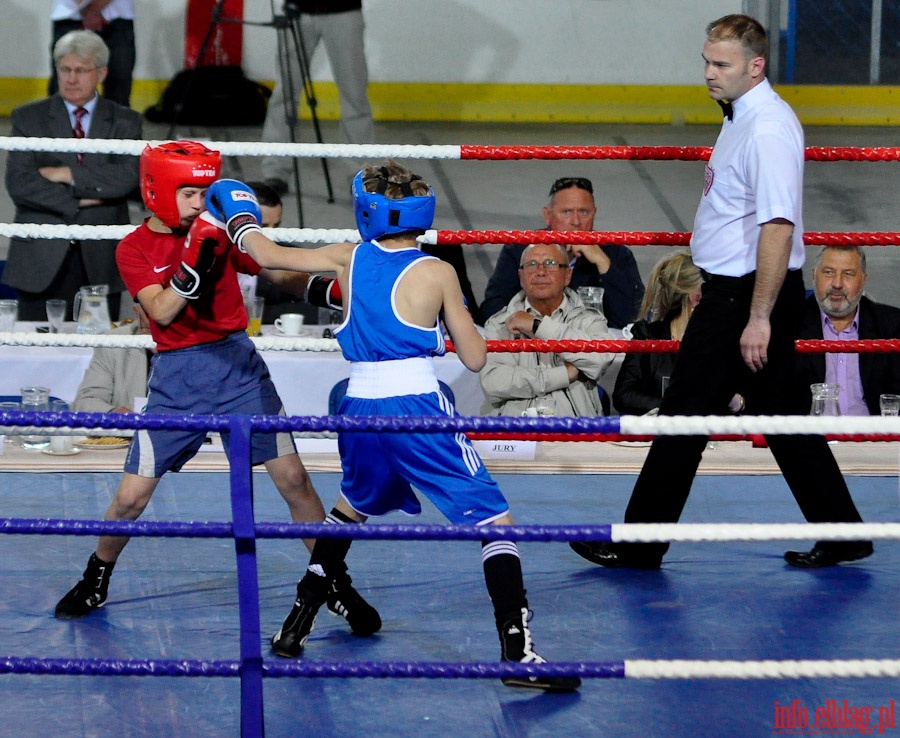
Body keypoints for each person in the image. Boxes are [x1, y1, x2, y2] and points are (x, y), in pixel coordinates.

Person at [205, 162, 581, 692]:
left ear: (366, 210)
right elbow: (475, 360)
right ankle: (518, 655)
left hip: (358, 405)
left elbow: (265, 256)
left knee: (350, 506)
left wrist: (240, 217)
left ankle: (296, 626)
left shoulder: (349, 256)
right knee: (496, 521)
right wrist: (451, 325)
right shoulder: (437, 272)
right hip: (416, 408)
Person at [570, 14, 871, 571]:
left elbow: (778, 227)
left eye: (721, 64)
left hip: (745, 299)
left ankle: (640, 546)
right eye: (706, 61)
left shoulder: (767, 129)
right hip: (738, 294)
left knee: (685, 415)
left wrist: (758, 316)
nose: (708, 73)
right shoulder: (742, 114)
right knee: (779, 414)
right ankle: (845, 531)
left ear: (756, 67)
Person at [54, 141, 381, 645]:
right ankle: (96, 577)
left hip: (239, 370)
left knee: (295, 481)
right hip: (177, 380)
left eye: (205, 191)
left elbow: (276, 272)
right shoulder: (133, 247)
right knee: (130, 500)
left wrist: (336, 292)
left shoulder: (219, 228)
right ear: (157, 191)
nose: (198, 202)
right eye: (189, 192)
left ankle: (332, 583)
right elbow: (160, 312)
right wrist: (194, 260)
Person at [4, 30, 141, 322]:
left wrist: (67, 174)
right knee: (38, 358)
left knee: (102, 358)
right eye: (65, 69)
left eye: (80, 70)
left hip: (101, 260)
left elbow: (127, 179)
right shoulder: (28, 118)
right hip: (40, 258)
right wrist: (82, 200)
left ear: (101, 73)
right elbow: (20, 183)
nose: (71, 78)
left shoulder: (126, 122)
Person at [480, 176, 645, 330]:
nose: (575, 221)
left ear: (594, 213)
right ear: (548, 215)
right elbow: (492, 310)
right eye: (566, 212)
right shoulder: (520, 249)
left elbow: (634, 318)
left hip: (595, 352)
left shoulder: (616, 254)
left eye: (583, 212)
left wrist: (603, 264)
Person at [480, 242, 614, 417]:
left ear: (567, 275)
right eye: (532, 264)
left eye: (551, 264)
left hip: (575, 431)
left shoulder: (589, 320)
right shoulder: (499, 323)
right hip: (514, 433)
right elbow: (494, 383)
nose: (541, 271)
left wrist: (537, 326)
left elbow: (601, 358)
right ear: (521, 276)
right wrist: (562, 375)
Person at [260, 1, 374, 195]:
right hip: (298, 12)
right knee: (284, 95)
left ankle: (359, 172)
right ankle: (275, 170)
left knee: (354, 96)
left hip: (344, 11)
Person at [797, 245, 900, 415]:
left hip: (875, 439)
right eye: (828, 272)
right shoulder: (790, 324)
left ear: (864, 279)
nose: (837, 284)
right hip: (810, 439)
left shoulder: (892, 325)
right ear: (814, 275)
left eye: (848, 274)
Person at [612, 252, 704, 415]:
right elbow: (623, 395)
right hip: (657, 431)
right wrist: (673, 408)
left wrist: (736, 401)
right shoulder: (648, 335)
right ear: (694, 297)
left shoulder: (717, 339)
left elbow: (740, 393)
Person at [49, 1, 136, 108]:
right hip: (69, 15)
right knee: (66, 89)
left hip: (118, 17)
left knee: (118, 86)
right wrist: (92, 11)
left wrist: (93, 10)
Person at [72, 305, 151, 414]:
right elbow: (85, 402)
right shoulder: (114, 342)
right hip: (129, 430)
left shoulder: (182, 350)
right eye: (149, 328)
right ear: (137, 313)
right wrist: (113, 413)